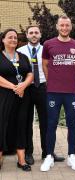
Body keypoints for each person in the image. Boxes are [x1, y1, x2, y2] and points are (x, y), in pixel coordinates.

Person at [17, 25, 65, 165]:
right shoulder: (20, 51)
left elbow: (55, 68)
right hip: (26, 88)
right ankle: (28, 153)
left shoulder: (47, 49)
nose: (33, 35)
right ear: (26, 35)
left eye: (36, 32)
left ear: (40, 35)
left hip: (43, 88)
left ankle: (48, 152)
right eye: (31, 32)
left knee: (47, 122)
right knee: (26, 122)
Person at [40, 15, 75, 171]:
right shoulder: (48, 44)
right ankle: (49, 156)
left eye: (67, 25)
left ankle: (72, 156)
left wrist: (69, 78)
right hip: (53, 91)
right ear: (57, 26)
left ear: (71, 27)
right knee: (51, 124)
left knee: (72, 124)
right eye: (62, 25)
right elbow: (45, 64)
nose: (64, 28)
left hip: (71, 92)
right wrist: (52, 80)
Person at [0, 28, 33, 171]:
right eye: (10, 37)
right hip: (4, 97)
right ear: (3, 40)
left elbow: (30, 74)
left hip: (22, 97)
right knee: (2, 125)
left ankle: (21, 160)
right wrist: (15, 87)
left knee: (21, 125)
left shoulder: (23, 56)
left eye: (15, 37)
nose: (13, 40)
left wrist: (24, 85)